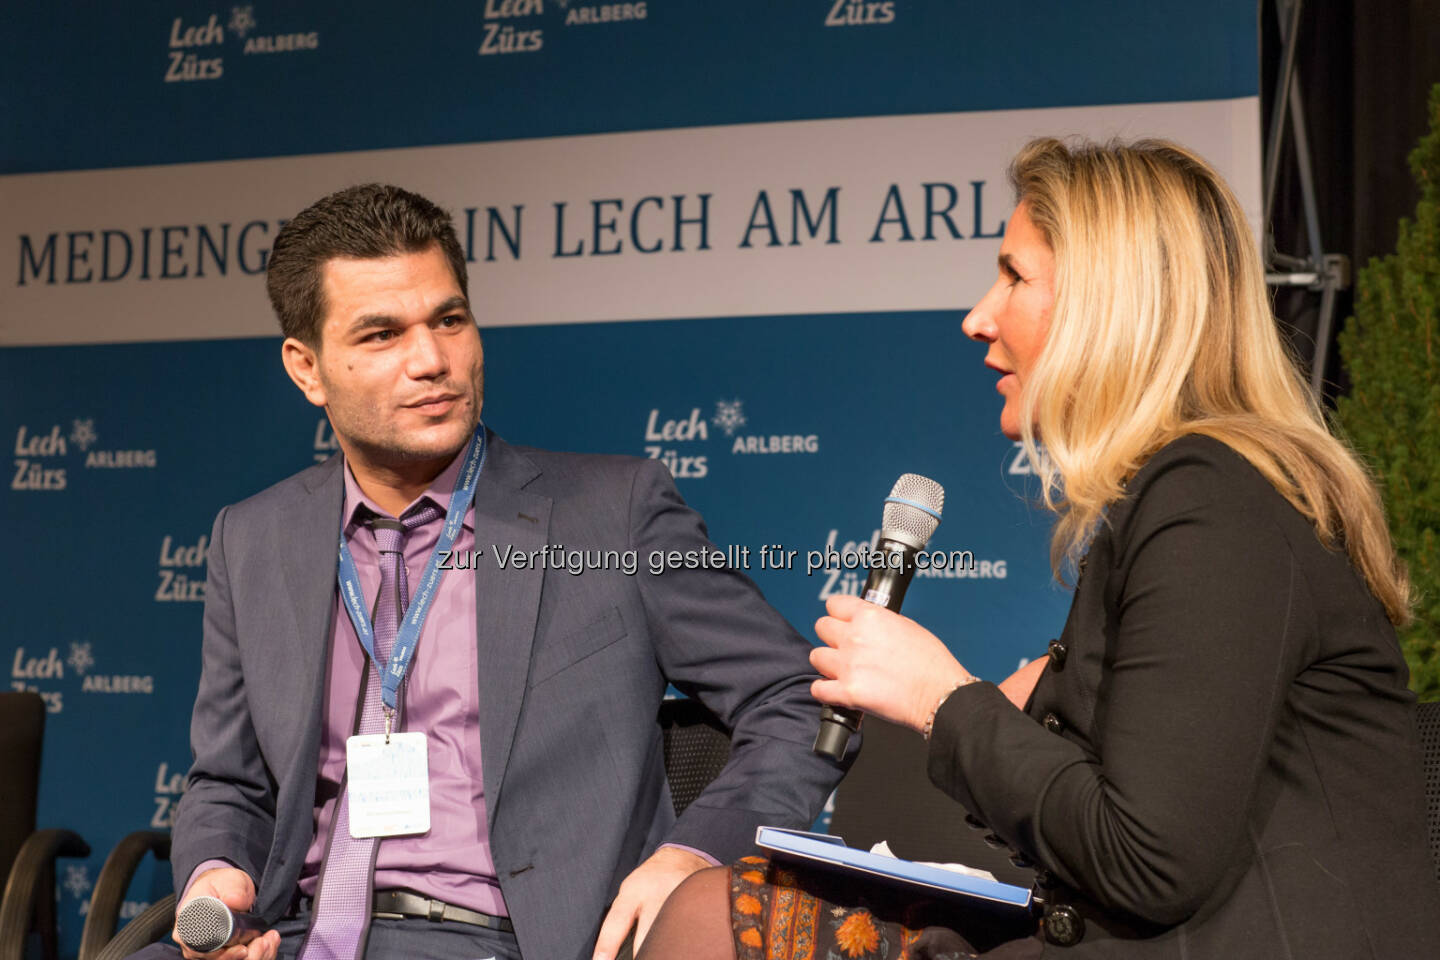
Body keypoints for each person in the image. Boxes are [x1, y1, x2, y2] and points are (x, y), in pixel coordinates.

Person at [637, 137, 1440, 959]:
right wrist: (1037, 724)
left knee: (709, 919)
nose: (978, 316)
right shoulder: (1202, 491)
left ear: (1109, 307)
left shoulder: (1212, 498)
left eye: (1016, 277)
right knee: (723, 906)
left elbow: (1149, 861)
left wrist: (941, 699)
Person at [135, 184, 849, 960]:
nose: (432, 361)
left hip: (499, 937)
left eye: (449, 319)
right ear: (307, 370)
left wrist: (693, 859)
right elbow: (229, 783)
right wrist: (216, 879)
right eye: (381, 335)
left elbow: (797, 703)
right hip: (295, 933)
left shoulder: (613, 514)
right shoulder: (254, 538)